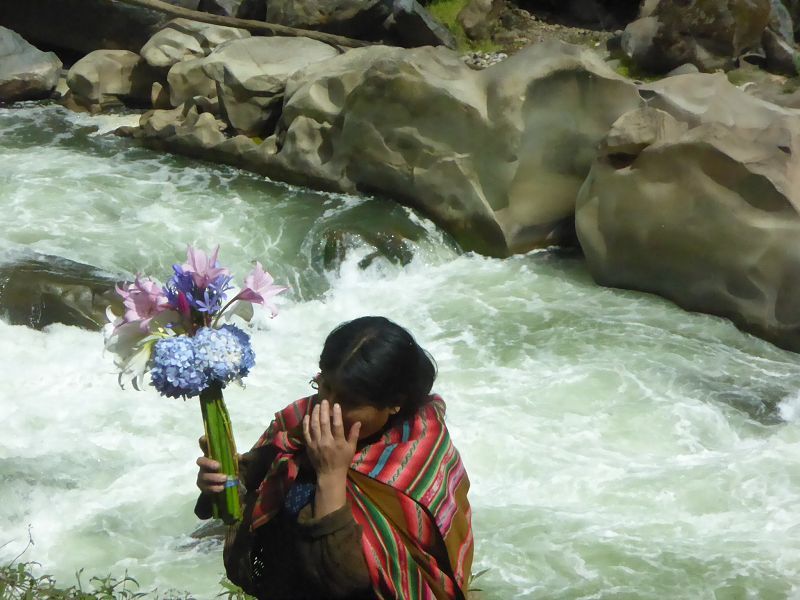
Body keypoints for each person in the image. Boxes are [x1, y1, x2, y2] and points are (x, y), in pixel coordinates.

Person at [195, 316, 474, 600]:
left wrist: (331, 474)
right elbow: (247, 492)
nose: (328, 407)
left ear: (393, 403)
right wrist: (223, 481)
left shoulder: (418, 456)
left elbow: (345, 582)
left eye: (349, 401)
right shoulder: (300, 420)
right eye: (324, 386)